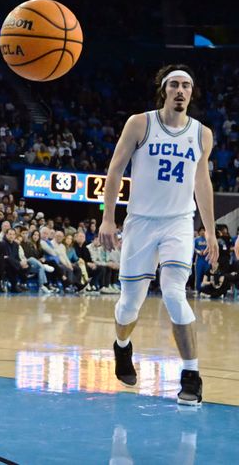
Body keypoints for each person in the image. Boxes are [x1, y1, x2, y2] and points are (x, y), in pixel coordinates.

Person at [98, 64, 217, 407]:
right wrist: (108, 218)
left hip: (179, 223)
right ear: (164, 90)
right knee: (129, 304)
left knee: (175, 294)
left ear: (191, 94)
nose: (181, 91)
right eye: (175, 85)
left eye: (187, 86)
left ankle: (191, 377)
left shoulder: (202, 133)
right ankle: (122, 347)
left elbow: (201, 182)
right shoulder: (140, 123)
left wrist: (209, 231)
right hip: (140, 222)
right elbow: (116, 168)